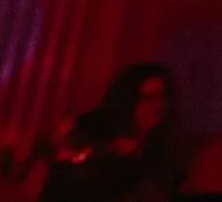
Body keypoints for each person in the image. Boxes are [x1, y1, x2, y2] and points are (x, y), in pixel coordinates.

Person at [11, 62, 187, 202]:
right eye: (148, 98)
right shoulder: (96, 136)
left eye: (163, 98)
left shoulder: (165, 149)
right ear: (129, 100)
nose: (158, 106)